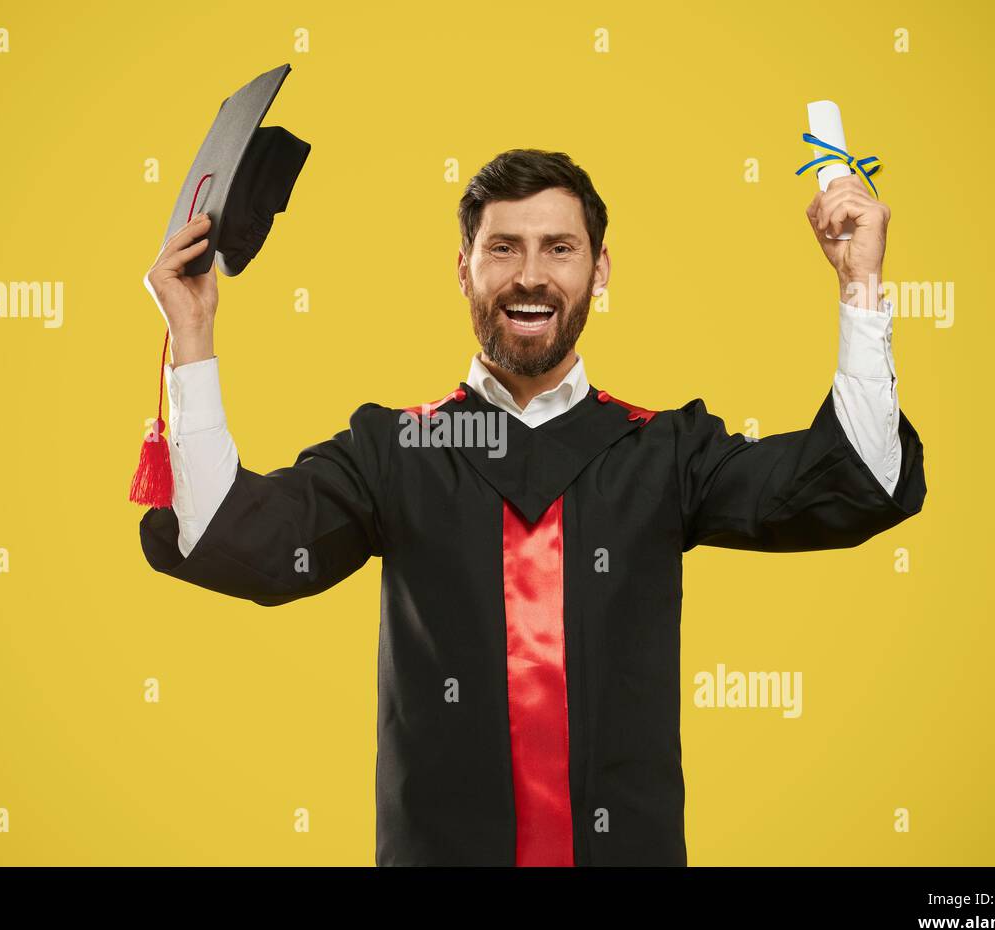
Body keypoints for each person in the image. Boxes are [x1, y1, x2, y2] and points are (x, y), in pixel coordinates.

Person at [137, 149, 925, 866]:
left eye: (560, 247)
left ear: (600, 269)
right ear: (463, 268)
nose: (530, 276)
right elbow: (239, 540)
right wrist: (194, 334)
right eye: (503, 247)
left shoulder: (664, 452)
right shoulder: (396, 450)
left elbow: (854, 480)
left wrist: (860, 286)